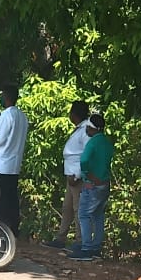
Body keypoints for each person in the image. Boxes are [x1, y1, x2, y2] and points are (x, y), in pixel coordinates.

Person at [0, 85, 29, 236]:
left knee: (0, 198)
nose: (0, 99)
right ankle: (13, 227)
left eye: (2, 95)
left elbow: (0, 139)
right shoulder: (22, 116)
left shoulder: (6, 115)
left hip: (2, 164)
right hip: (14, 164)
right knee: (11, 197)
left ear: (7, 97)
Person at [45, 100, 90, 249]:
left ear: (74, 114)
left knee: (78, 209)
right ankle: (61, 238)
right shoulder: (79, 129)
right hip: (70, 175)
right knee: (67, 208)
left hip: (77, 176)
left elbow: (87, 154)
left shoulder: (86, 130)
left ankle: (80, 241)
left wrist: (77, 175)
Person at [70, 113, 114, 261]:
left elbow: (84, 159)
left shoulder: (93, 142)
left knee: (84, 214)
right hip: (104, 183)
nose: (86, 130)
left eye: (88, 127)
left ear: (93, 128)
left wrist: (86, 174)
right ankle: (96, 247)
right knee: (98, 215)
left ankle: (87, 248)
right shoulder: (107, 142)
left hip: (92, 184)